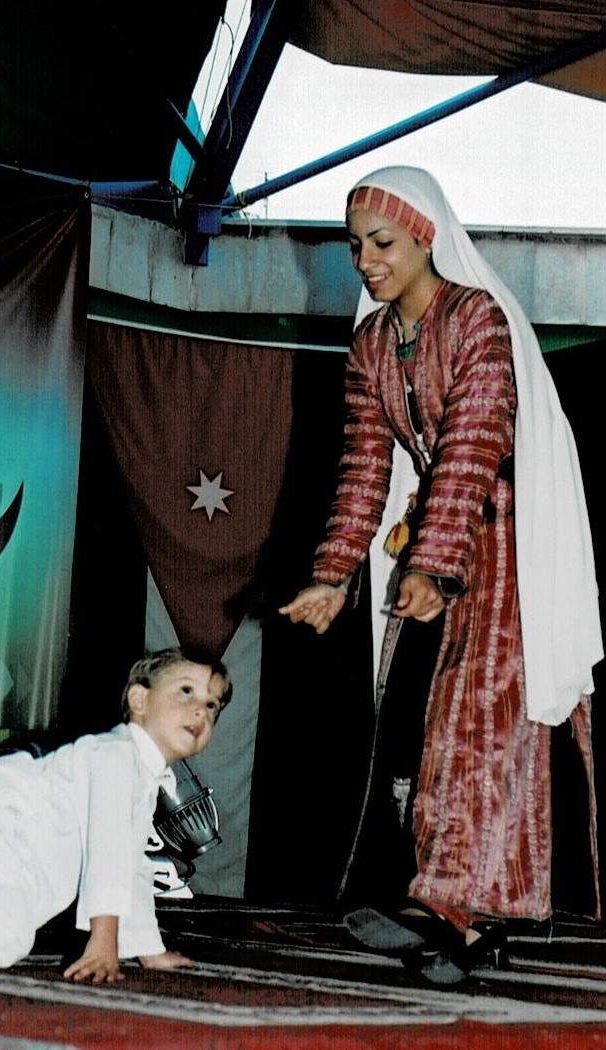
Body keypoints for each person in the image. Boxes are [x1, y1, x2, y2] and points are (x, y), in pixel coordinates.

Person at [279, 166, 603, 984]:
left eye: (382, 243)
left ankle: (453, 903)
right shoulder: (370, 345)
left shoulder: (476, 319)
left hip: (508, 544)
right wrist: (333, 575)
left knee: (479, 717)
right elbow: (364, 467)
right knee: (429, 724)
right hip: (439, 549)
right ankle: (469, 919)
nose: (366, 261)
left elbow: (471, 447)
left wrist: (434, 565)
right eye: (355, 246)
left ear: (427, 237)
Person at [0, 646, 232, 983]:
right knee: (4, 939)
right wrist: (103, 941)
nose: (201, 710)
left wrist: (149, 950)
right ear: (140, 699)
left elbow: (132, 867)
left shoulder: (141, 773)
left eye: (213, 704)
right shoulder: (117, 757)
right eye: (186, 691)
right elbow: (108, 854)